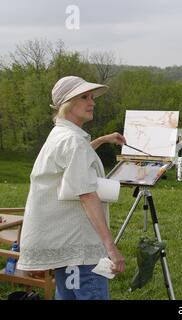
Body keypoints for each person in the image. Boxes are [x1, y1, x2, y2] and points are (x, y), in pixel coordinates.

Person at [17, 76, 126, 300]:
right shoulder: (73, 142)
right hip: (81, 248)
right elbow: (86, 194)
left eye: (92, 97)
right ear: (67, 104)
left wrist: (103, 139)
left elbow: (76, 159)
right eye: (84, 97)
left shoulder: (62, 136)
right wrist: (110, 247)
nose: (92, 102)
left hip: (65, 246)